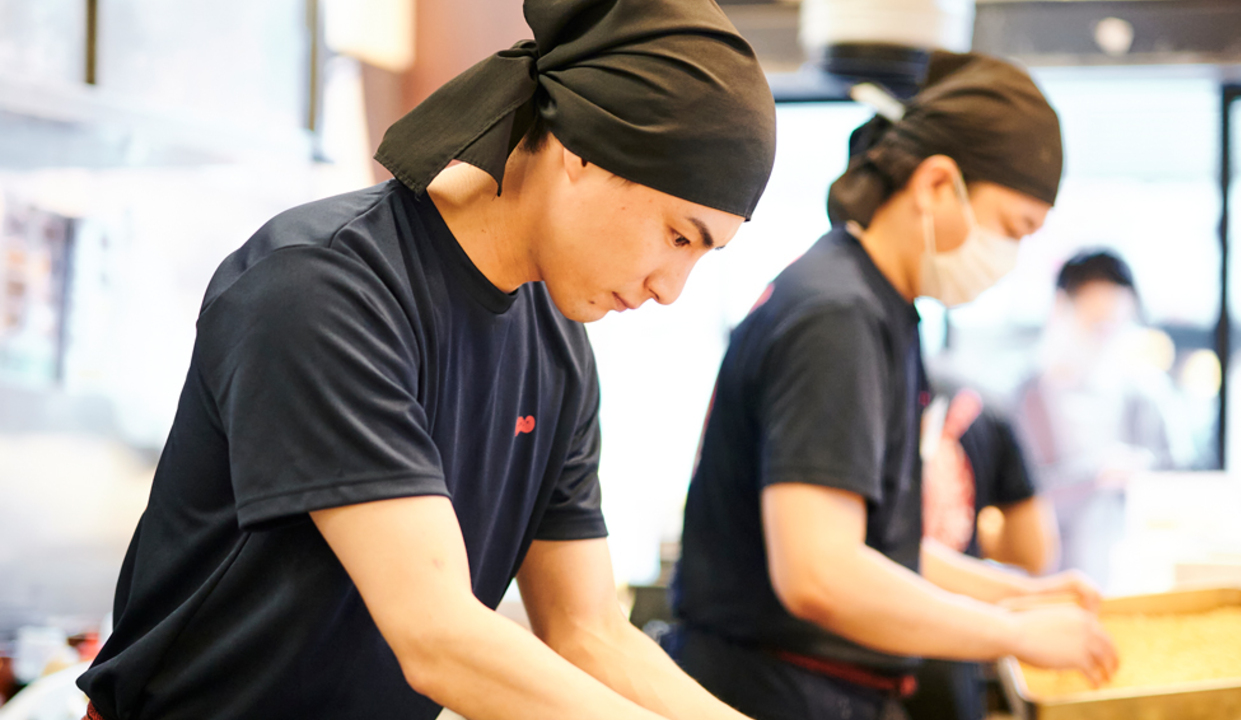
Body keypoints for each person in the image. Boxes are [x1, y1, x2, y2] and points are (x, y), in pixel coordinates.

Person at [75, 1, 776, 719]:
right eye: (679, 237)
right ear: (583, 149)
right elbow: (438, 636)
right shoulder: (324, 289)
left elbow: (588, 631)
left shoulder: (559, 352)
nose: (670, 290)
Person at [671, 51, 1118, 720]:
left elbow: (885, 549)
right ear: (938, 184)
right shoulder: (836, 313)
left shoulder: (881, 310)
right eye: (1012, 229)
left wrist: (1021, 596)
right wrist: (1015, 633)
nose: (1011, 257)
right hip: (769, 692)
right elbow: (820, 573)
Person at [1014, 249, 1189, 591]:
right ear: (1061, 309)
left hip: (1136, 584)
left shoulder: (1146, 394)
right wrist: (1093, 476)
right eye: (1097, 324)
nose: (1106, 338)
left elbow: (1179, 484)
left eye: (1116, 325)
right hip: (1050, 586)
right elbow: (1015, 502)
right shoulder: (1027, 398)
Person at [906, 389, 1066, 720]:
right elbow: (1034, 549)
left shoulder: (873, 397)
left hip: (869, 657)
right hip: (956, 645)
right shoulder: (985, 408)